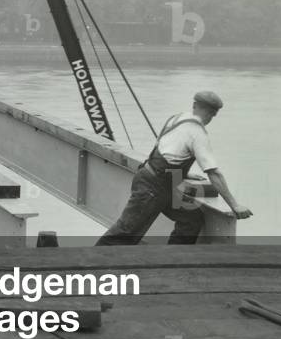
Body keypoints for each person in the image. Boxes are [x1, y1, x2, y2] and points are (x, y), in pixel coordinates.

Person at [96, 91, 252, 245]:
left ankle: (172, 259)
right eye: (212, 114)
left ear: (194, 105)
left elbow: (169, 151)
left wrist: (184, 173)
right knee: (125, 232)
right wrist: (234, 205)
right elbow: (214, 173)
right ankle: (90, 264)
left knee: (190, 219)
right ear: (213, 114)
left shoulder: (177, 118)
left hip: (153, 179)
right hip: (153, 189)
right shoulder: (198, 133)